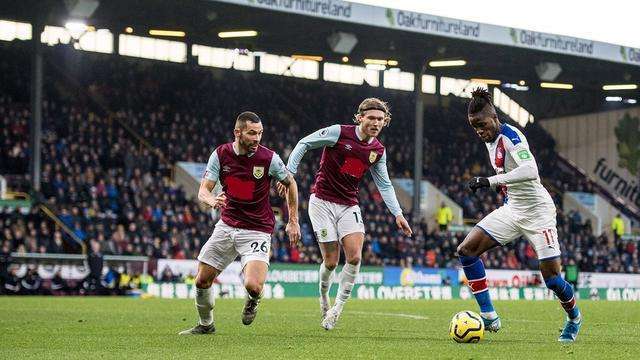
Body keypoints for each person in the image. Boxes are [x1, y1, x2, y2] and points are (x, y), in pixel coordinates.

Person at [459, 88, 582, 342]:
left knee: (552, 279)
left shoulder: (511, 136)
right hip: (513, 208)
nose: (479, 131)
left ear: (493, 117)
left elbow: (530, 170)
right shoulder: (490, 141)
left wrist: (489, 181)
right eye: (474, 128)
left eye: (481, 125)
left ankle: (574, 318)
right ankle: (490, 316)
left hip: (539, 213)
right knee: (466, 250)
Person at [281, 98, 412, 330]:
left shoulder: (377, 151)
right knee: (330, 262)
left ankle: (337, 310)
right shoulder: (338, 133)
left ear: (385, 122)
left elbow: (384, 185)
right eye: (371, 118)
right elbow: (303, 143)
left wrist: (398, 213)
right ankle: (323, 297)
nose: (376, 122)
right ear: (360, 117)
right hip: (321, 203)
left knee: (354, 257)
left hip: (349, 205)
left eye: (380, 119)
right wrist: (290, 172)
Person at [180, 111, 301, 335]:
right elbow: (203, 190)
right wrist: (211, 199)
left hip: (257, 230)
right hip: (227, 226)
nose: (257, 138)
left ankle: (253, 300)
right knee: (202, 280)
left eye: (260, 133)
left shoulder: (269, 159)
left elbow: (290, 183)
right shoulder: (221, 154)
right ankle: (206, 325)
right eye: (252, 133)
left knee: (252, 285)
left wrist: (293, 220)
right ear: (238, 132)